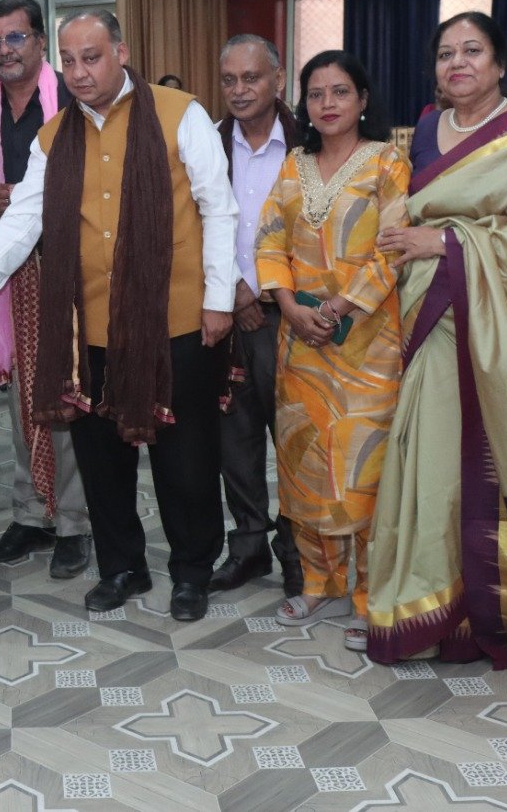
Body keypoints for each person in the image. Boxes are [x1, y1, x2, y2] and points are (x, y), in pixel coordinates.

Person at [0, 10, 238, 623]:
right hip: (87, 327)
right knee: (101, 460)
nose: (80, 72)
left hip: (175, 321)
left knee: (185, 460)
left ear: (121, 52)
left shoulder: (180, 113)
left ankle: (192, 570)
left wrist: (219, 300)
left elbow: (217, 208)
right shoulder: (54, 137)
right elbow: (19, 226)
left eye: (92, 57)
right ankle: (122, 566)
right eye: (69, 61)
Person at [369, 11, 507, 667]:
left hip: (498, 325)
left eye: (473, 50)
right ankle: (426, 603)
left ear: (501, 64)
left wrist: (446, 242)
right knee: (429, 463)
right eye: (446, 53)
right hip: (430, 319)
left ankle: (489, 610)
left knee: (485, 463)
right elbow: (404, 208)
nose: (457, 63)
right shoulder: (426, 129)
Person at [255, 50, 409, 652]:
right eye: (316, 93)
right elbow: (270, 241)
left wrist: (338, 308)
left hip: (368, 346)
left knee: (364, 470)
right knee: (306, 463)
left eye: (340, 91)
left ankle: (370, 596)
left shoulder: (388, 161)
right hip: (301, 344)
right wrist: (290, 307)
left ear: (363, 100)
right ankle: (321, 582)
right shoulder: (293, 166)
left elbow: (394, 248)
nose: (327, 104)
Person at [0, 0, 90, 579]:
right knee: (21, 397)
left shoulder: (76, 102)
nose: (5, 50)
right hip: (7, 272)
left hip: (72, 268)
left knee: (69, 390)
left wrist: (30, 198)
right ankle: (31, 513)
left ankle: (76, 522)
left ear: (39, 41)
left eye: (16, 37)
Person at [210, 34, 302, 595]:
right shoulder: (207, 143)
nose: (240, 90)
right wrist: (236, 292)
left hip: (292, 317)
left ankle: (296, 550)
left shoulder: (308, 143)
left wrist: (267, 292)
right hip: (223, 314)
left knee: (294, 437)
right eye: (229, 80)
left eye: (252, 78)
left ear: (278, 80)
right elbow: (189, 222)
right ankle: (247, 546)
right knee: (233, 438)